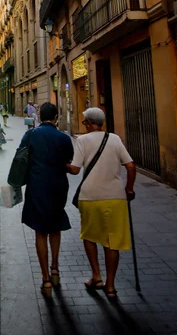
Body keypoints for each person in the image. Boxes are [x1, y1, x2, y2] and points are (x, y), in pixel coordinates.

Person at [67, 107, 136, 300]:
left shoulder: (82, 140)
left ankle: (96, 277)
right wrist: (129, 189)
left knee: (89, 236)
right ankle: (111, 286)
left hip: (90, 197)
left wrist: (62, 163)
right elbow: (130, 166)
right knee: (112, 241)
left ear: (89, 122)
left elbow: (74, 170)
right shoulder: (114, 139)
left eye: (84, 122)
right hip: (115, 197)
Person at [18, 102, 73, 297]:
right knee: (55, 226)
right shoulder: (63, 138)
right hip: (58, 185)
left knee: (40, 231)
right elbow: (69, 161)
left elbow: (20, 158)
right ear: (56, 117)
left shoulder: (30, 135)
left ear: (39, 117)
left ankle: (45, 280)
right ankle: (55, 269)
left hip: (37, 186)